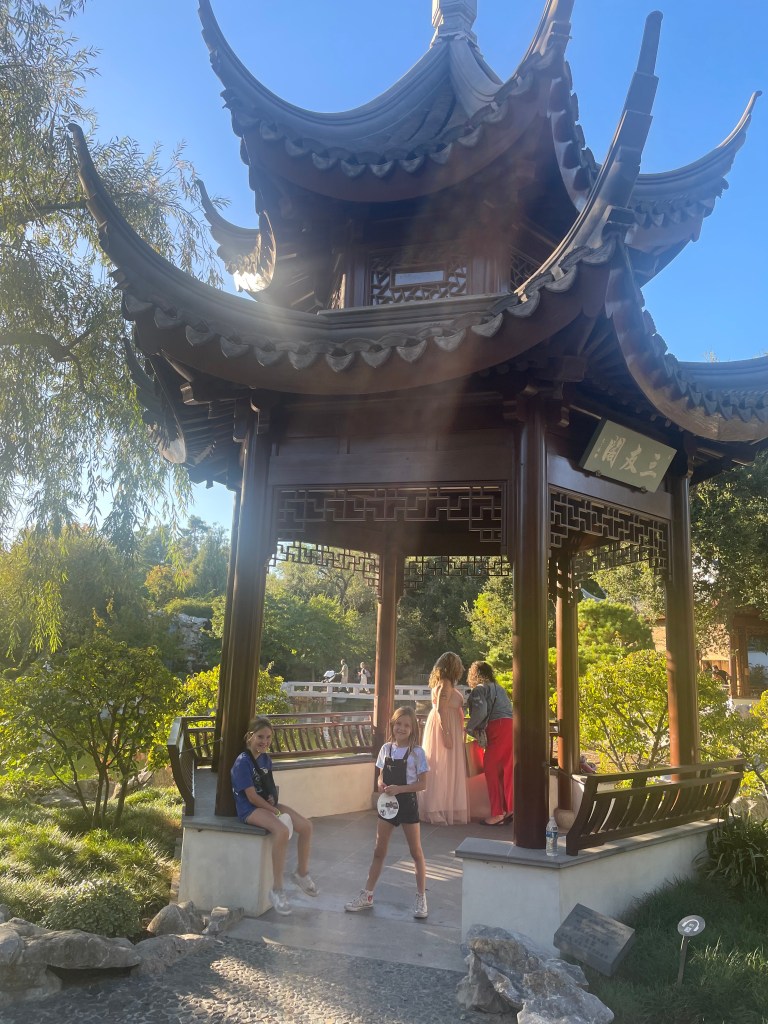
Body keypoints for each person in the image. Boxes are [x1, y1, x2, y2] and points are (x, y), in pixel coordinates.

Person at [345, 707, 430, 919]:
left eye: (406, 725)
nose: (401, 728)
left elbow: (422, 784)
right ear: (392, 724)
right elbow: (381, 776)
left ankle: (421, 897)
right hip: (388, 805)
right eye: (398, 724)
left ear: (413, 729)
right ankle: (367, 895)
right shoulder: (386, 749)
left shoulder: (417, 753)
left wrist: (400, 789)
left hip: (407, 804)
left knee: (416, 852)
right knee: (379, 850)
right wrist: (381, 785)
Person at [231, 716, 318, 916]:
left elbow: (268, 787)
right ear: (250, 736)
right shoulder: (242, 762)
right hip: (249, 809)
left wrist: (272, 800)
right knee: (281, 831)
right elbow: (251, 797)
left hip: (267, 805)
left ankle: (301, 873)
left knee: (306, 826)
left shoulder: (265, 759)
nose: (265, 741)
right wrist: (275, 812)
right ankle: (277, 889)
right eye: (260, 737)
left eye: (268, 737)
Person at [419, 651, 469, 825]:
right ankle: (433, 810)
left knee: (445, 767)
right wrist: (446, 734)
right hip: (444, 727)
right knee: (440, 767)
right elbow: (441, 709)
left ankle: (446, 807)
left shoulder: (444, 683)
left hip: (448, 726)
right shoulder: (446, 684)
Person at [466, 661, 513, 826]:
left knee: (491, 768)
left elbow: (481, 712)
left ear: (474, 675)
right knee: (506, 770)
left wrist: (469, 728)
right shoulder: (499, 688)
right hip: (510, 726)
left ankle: (497, 813)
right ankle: (509, 808)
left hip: (496, 727)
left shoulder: (480, 689)